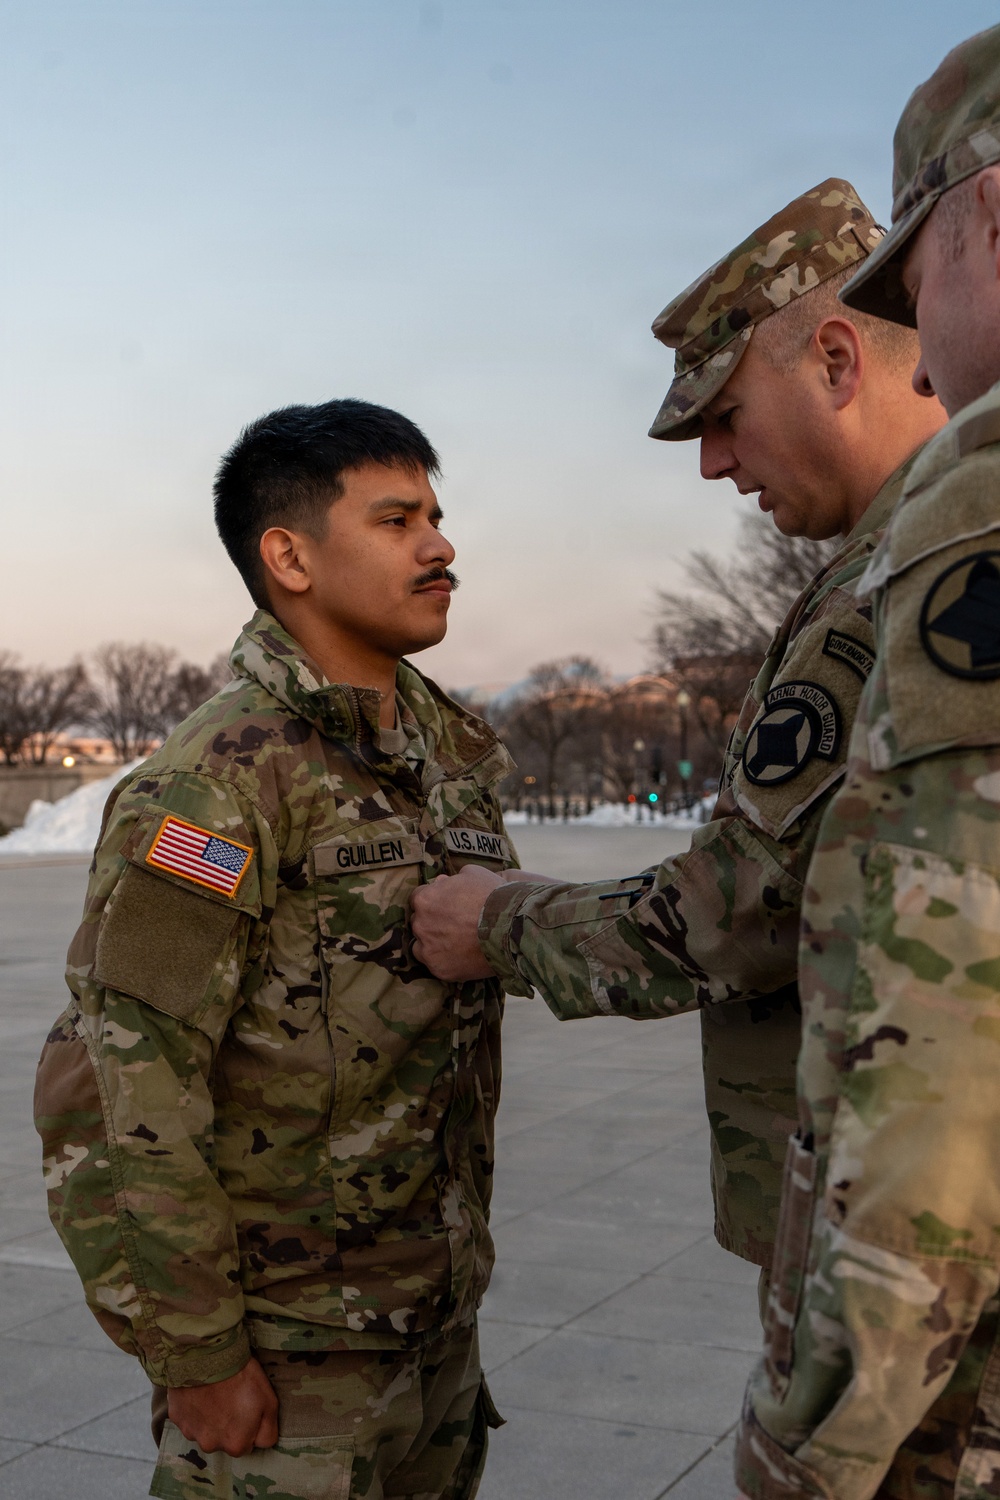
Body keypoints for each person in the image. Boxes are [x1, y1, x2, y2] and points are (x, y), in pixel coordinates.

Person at [412, 183, 945, 1290]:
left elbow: (745, 907)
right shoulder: (922, 548)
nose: (712, 463)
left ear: (836, 361)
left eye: (724, 415)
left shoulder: (906, 577)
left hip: (904, 1241)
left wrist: (500, 923)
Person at [34, 399, 516, 1500]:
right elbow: (118, 1080)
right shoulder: (219, 781)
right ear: (289, 557)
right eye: (395, 520)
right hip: (292, 1362)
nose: (440, 546)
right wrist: (195, 1352)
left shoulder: (444, 764)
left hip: (433, 1333)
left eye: (436, 515)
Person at [733, 24, 1000, 1500]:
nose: (927, 344)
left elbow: (946, 1039)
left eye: (915, 284)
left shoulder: (977, 502)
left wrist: (816, 1444)